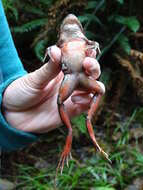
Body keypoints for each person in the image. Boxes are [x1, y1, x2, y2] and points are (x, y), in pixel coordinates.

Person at [0, 1, 101, 151]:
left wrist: (9, 109)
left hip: (72, 77)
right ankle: (72, 131)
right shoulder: (61, 45)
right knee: (63, 100)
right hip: (68, 77)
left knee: (99, 90)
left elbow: (6, 63)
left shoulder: (85, 43)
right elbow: (53, 50)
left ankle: (88, 120)